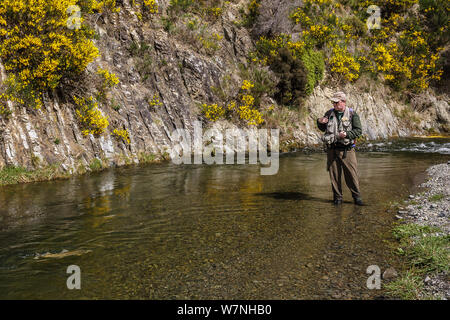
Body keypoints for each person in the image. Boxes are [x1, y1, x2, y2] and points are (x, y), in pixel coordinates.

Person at [317, 91, 364, 206]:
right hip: (332, 150)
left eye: (336, 102)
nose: (334, 104)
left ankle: (356, 197)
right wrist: (320, 122)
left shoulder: (353, 114)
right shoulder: (329, 113)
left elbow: (358, 131)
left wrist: (347, 135)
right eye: (333, 102)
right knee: (334, 176)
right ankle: (338, 198)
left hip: (347, 150)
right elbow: (323, 128)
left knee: (351, 175)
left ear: (343, 102)